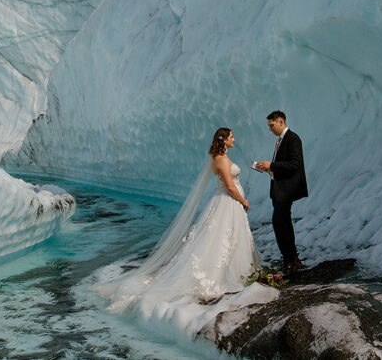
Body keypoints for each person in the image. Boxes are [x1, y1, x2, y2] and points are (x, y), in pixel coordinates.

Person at [97, 128, 261, 318]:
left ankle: (232, 270)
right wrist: (243, 201)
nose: (234, 139)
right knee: (223, 237)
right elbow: (230, 186)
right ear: (224, 141)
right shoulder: (222, 160)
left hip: (225, 202)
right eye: (232, 136)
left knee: (223, 237)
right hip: (228, 201)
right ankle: (224, 274)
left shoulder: (218, 158)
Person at [252, 110, 307, 273]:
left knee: (280, 223)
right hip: (279, 189)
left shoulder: (292, 139)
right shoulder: (281, 140)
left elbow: (295, 165)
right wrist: (268, 168)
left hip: (286, 190)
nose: (270, 129)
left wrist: (272, 165)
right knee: (283, 224)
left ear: (281, 122)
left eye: (272, 125)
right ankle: (291, 258)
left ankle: (290, 259)